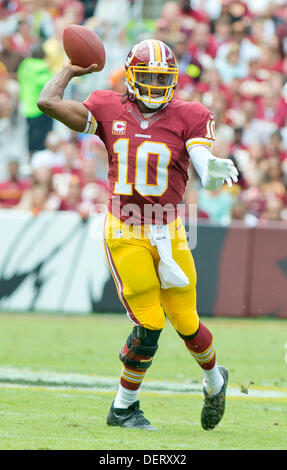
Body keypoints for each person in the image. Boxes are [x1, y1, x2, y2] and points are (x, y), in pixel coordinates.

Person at [37, 38, 238, 431]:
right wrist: (70, 69)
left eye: (162, 77)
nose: (155, 84)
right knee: (149, 323)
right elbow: (47, 103)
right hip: (125, 229)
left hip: (170, 229)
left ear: (175, 79)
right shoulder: (108, 106)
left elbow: (199, 154)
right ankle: (123, 408)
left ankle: (215, 382)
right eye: (147, 76)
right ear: (131, 76)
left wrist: (208, 164)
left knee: (186, 321)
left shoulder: (191, 114)